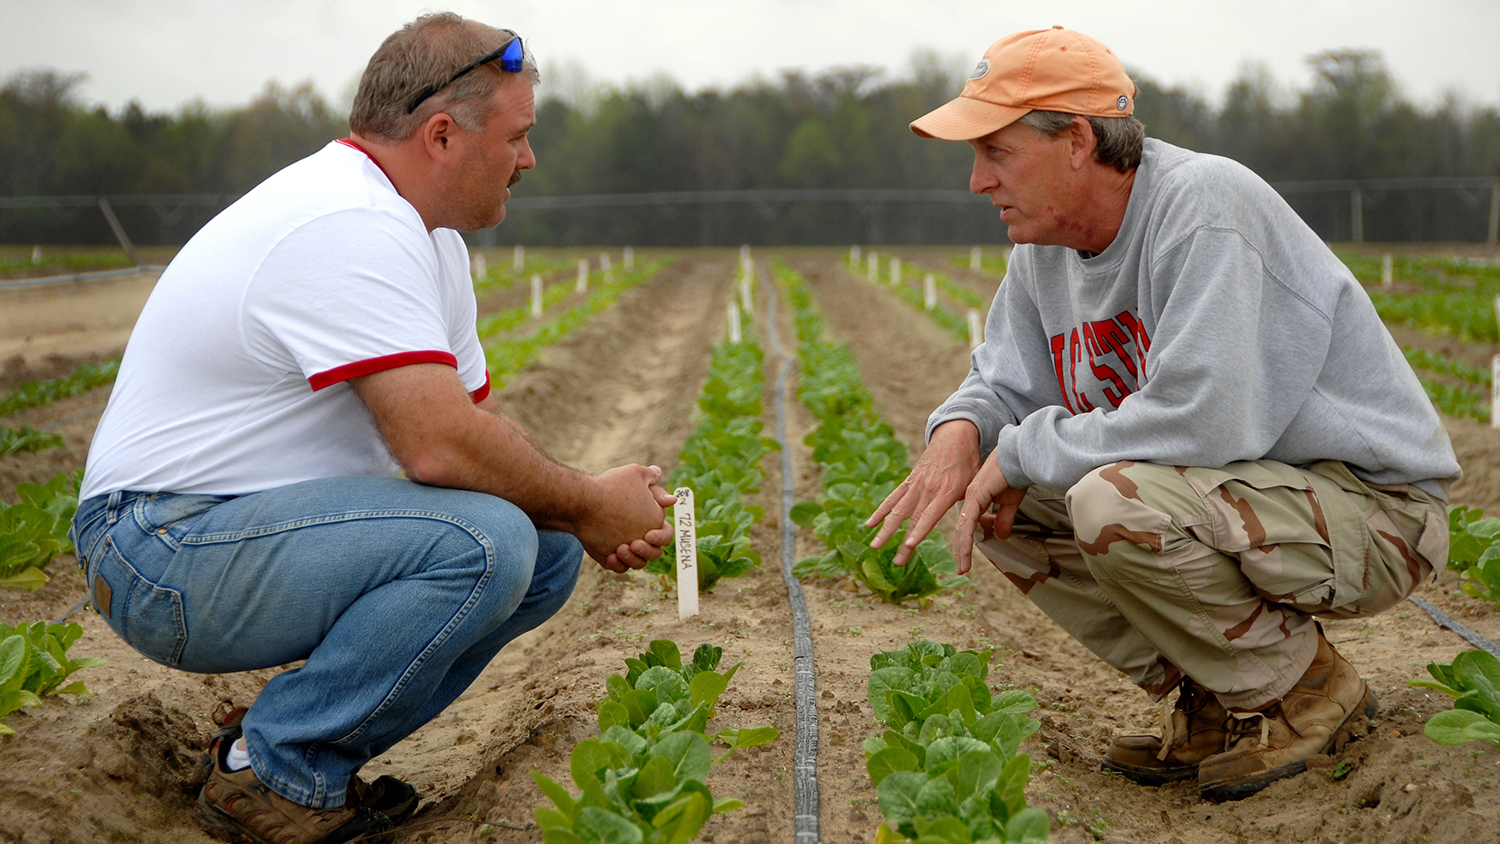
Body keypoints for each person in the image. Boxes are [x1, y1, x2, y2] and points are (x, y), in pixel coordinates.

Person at [70, 13, 675, 843]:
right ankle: (276, 769)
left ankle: (287, 748)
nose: (529, 159)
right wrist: (587, 498)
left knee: (546, 548)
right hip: (157, 547)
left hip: (228, 534)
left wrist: (582, 507)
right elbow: (439, 447)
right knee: (491, 543)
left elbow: (477, 425)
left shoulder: (428, 239)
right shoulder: (346, 222)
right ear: (440, 135)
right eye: (518, 136)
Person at [867, 26, 1460, 802]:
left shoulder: (1203, 206)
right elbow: (1001, 383)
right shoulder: (1041, 251)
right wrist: (961, 436)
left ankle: (1305, 690)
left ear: (1077, 141)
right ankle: (1221, 695)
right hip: (1246, 496)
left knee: (1108, 498)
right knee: (992, 492)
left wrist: (1018, 452)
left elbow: (1202, 424)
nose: (978, 182)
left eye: (997, 152)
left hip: (1375, 511)